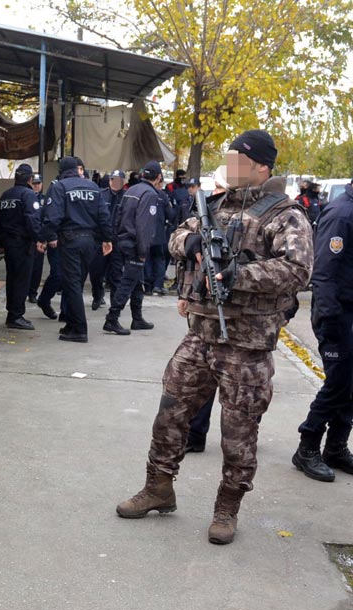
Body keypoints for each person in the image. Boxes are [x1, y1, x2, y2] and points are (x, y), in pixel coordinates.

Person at [115, 129, 313, 545]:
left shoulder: (286, 215)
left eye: (238, 159)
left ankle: (227, 508)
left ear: (261, 166)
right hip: (201, 334)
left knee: (239, 431)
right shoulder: (216, 206)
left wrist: (239, 275)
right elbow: (176, 234)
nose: (230, 166)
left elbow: (297, 271)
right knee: (170, 411)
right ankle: (158, 487)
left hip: (247, 343)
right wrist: (190, 245)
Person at [293, 177, 353, 481]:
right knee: (338, 382)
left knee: (350, 383)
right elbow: (325, 270)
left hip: (349, 311)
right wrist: (330, 319)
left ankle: (336, 446)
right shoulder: (342, 213)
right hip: (337, 313)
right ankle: (308, 446)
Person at [40, 155, 112, 343]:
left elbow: (52, 217)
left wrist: (46, 237)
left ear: (61, 171)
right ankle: (71, 324)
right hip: (90, 242)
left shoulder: (60, 187)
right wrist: (107, 238)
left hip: (70, 241)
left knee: (71, 284)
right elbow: (104, 215)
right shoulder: (93, 187)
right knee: (77, 282)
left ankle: (79, 329)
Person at [102, 161, 160, 335]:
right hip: (135, 244)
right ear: (158, 177)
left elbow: (117, 215)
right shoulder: (149, 194)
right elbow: (144, 225)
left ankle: (137, 318)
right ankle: (111, 319)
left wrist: (115, 237)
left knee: (137, 281)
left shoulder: (131, 190)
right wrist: (143, 251)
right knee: (128, 283)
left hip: (123, 240)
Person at [0, 164, 43, 330]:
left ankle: (12, 313)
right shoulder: (28, 195)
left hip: (8, 244)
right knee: (22, 280)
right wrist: (39, 239)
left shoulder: (6, 195)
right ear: (29, 179)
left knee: (12, 278)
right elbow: (32, 220)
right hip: (22, 244)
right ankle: (16, 315)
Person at [93, 170, 125, 310]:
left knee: (116, 274)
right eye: (113, 179)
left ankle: (115, 304)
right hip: (101, 240)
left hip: (118, 241)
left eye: (118, 180)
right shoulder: (101, 194)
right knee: (96, 271)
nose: (115, 183)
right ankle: (97, 296)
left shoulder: (126, 197)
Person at [27, 175, 47, 303]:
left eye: (38, 183)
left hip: (40, 238)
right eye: (34, 183)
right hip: (28, 238)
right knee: (27, 267)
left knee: (37, 268)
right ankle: (25, 291)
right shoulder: (27, 197)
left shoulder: (45, 200)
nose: (36, 186)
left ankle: (33, 292)